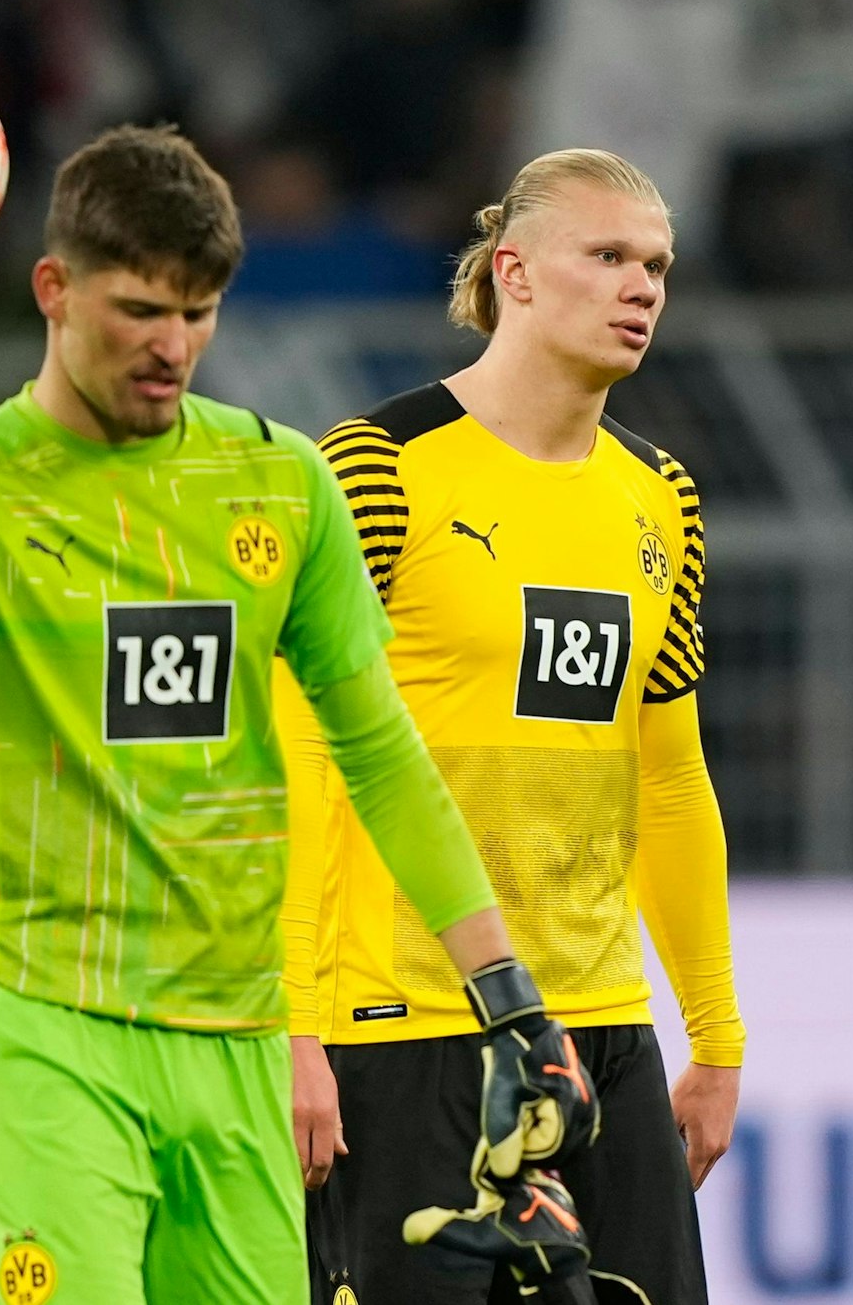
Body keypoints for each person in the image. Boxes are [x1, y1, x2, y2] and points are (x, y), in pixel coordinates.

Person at [0, 124, 594, 1304]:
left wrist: (505, 991)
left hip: (236, 1037)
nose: (173, 346)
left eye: (198, 313)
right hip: (40, 1021)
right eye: (142, 309)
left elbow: (378, 750)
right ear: (55, 289)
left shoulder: (280, 482)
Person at [277, 148, 746, 1305]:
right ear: (515, 273)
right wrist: (284, 1021)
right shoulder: (377, 466)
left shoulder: (660, 497)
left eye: (658, 266)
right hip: (401, 1024)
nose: (643, 287)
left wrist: (715, 1036)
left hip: (597, 1026)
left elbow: (669, 774)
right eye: (609, 257)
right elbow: (290, 751)